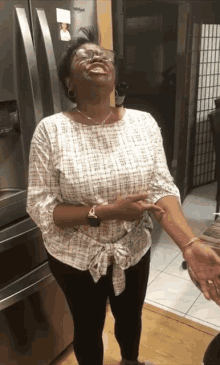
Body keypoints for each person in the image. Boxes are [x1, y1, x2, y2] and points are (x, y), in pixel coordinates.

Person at [26, 27, 220, 365]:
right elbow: (41, 207)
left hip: (133, 248)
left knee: (130, 318)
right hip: (75, 257)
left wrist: (189, 244)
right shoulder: (51, 130)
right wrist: (104, 212)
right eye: (84, 56)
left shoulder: (143, 124)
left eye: (103, 55)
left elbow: (161, 187)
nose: (98, 56)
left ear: (115, 77)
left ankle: (130, 361)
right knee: (88, 327)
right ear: (70, 83)